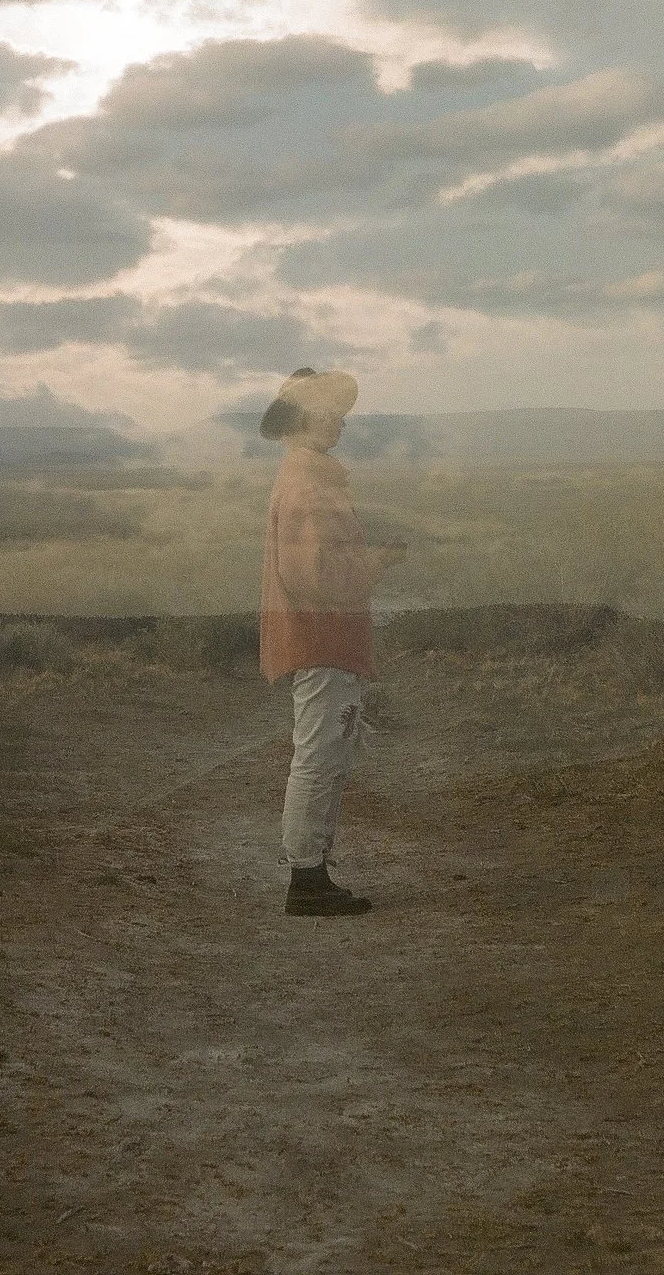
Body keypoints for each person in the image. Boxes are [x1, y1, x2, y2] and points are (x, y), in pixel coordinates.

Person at [258, 368, 403, 917]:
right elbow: (317, 579)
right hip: (324, 639)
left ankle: (312, 872)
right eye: (328, 412)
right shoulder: (309, 482)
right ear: (303, 419)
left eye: (339, 413)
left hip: (321, 638)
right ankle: (306, 879)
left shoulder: (303, 476)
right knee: (319, 757)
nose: (338, 422)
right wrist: (377, 562)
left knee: (324, 754)